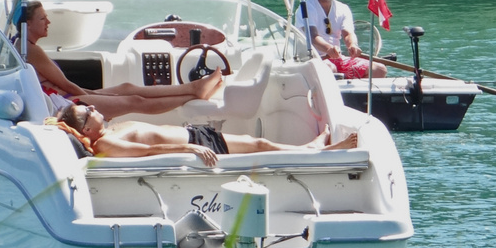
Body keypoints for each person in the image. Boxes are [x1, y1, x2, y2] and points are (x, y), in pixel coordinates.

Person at [20, 1, 225, 118]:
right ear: (27, 24)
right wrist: (98, 96)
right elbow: (65, 84)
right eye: (42, 18)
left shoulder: (22, 45)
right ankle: (194, 94)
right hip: (64, 106)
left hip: (64, 98)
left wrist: (95, 94)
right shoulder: (31, 50)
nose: (48, 22)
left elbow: (61, 85)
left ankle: (194, 87)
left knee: (126, 87)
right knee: (134, 101)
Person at [54, 103, 358, 167]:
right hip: (195, 144)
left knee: (258, 143)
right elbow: (143, 153)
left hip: (194, 136)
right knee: (260, 148)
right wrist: (189, 151)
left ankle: (311, 147)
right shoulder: (104, 141)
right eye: (86, 112)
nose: (92, 107)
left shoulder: (108, 129)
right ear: (87, 130)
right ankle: (320, 152)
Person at [297, 0, 387, 79]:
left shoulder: (343, 8)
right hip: (312, 59)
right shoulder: (306, 7)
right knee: (330, 69)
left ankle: (360, 96)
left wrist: (352, 45)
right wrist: (329, 49)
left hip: (338, 59)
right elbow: (313, 37)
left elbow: (348, 33)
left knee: (379, 70)